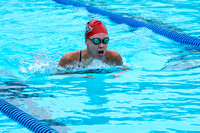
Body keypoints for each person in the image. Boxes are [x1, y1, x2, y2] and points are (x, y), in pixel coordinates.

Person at [58, 20, 128, 78]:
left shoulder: (114, 57)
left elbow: (125, 69)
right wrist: (78, 76)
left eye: (105, 40)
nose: (101, 45)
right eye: (96, 41)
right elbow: (57, 74)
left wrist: (118, 74)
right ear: (86, 41)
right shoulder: (69, 59)